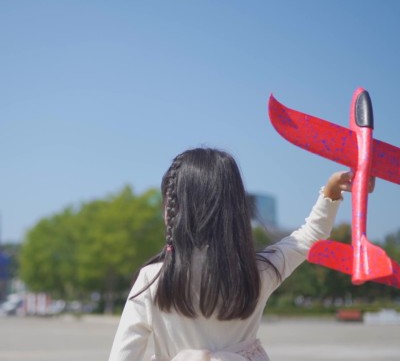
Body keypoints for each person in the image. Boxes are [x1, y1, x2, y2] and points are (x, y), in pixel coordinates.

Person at [108, 147, 366, 361]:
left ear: (174, 210)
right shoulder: (257, 272)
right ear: (235, 208)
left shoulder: (152, 280)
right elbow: (310, 236)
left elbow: (123, 356)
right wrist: (332, 190)